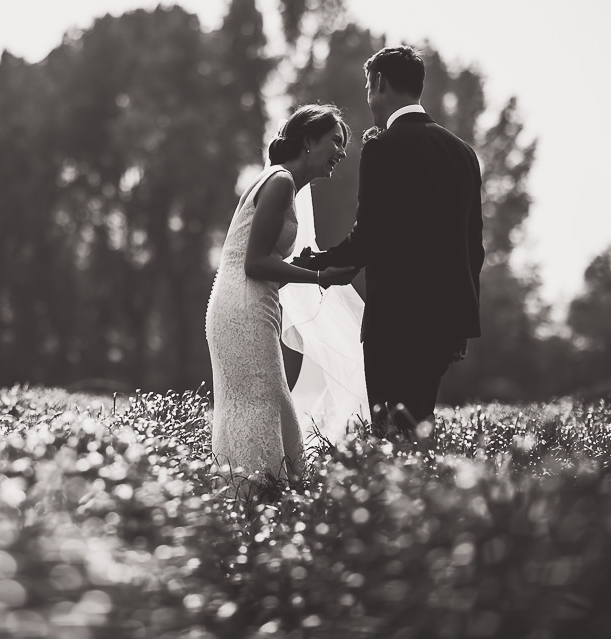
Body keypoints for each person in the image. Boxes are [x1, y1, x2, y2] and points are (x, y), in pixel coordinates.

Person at [294, 46, 485, 434]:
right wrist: (462, 324)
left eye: (369, 87)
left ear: (379, 83)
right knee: (419, 426)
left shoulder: (384, 147)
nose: (369, 99)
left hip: (394, 322)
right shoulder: (464, 154)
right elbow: (473, 247)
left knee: (389, 430)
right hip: (443, 323)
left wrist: (316, 262)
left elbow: (369, 235)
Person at [206, 105, 358, 492]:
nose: (340, 152)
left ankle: (263, 492)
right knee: (259, 403)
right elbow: (255, 264)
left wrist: (306, 266)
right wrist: (321, 277)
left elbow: (264, 263)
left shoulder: (281, 182)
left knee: (268, 401)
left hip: (250, 304)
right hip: (243, 307)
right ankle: (255, 495)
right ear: (308, 141)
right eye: (334, 142)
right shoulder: (280, 183)